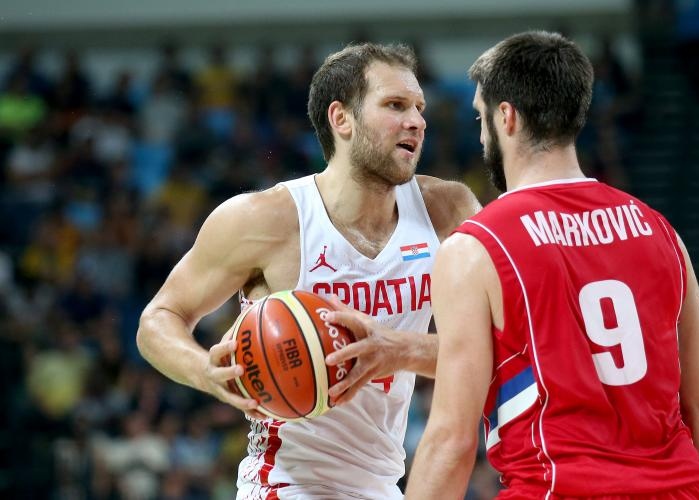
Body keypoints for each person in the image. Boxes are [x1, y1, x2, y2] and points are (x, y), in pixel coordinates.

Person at [137, 42, 480, 499]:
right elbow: (157, 321)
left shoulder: (449, 211)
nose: (416, 121)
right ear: (342, 119)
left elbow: (501, 345)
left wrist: (398, 350)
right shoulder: (263, 218)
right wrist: (205, 372)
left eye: (419, 108)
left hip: (382, 484)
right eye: (395, 105)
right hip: (284, 482)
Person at [405, 31, 699, 499]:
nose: (480, 135)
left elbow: (452, 440)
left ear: (506, 117)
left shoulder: (476, 247)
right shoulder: (662, 233)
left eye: (481, 118)